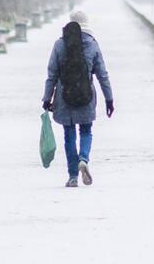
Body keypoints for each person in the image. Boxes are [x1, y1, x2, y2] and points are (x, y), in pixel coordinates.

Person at [42, 10, 114, 187]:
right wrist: (109, 99)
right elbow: (102, 75)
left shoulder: (59, 45)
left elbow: (52, 74)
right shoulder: (92, 45)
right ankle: (84, 158)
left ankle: (73, 175)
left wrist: (47, 98)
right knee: (86, 131)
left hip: (64, 97)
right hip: (86, 96)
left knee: (69, 135)